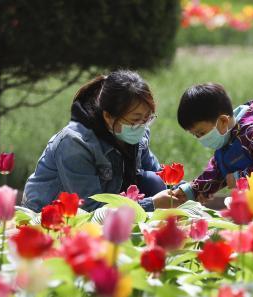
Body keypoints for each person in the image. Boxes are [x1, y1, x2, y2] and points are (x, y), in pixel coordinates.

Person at [23, 70, 171, 212]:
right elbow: (90, 209)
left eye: (147, 118)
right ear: (108, 116)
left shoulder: (135, 133)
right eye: (135, 119)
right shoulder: (75, 143)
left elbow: (159, 174)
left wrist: (187, 191)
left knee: (153, 181)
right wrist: (152, 205)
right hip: (54, 218)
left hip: (107, 211)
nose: (142, 126)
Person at [170, 83, 253, 205]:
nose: (200, 139)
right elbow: (216, 174)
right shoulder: (223, 145)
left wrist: (241, 178)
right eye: (195, 135)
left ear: (222, 121)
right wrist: (191, 191)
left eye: (202, 133)